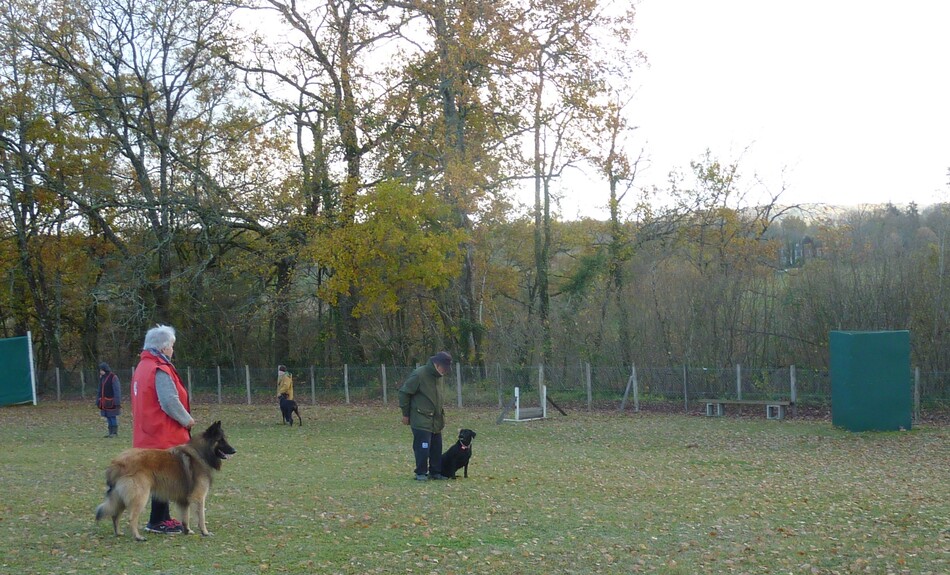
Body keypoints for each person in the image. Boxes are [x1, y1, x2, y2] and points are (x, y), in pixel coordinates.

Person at [130, 324, 195, 535]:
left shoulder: (142, 367)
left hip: (146, 432)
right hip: (162, 433)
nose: (173, 350)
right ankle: (158, 520)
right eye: (172, 346)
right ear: (164, 347)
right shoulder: (159, 368)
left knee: (156, 477)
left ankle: (161, 518)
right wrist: (187, 420)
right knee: (164, 476)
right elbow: (169, 401)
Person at [398, 351, 452, 481]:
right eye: (444, 368)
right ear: (437, 364)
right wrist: (405, 414)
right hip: (421, 418)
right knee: (423, 447)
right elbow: (404, 393)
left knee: (436, 447)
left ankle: (435, 472)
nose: (445, 371)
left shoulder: (440, 377)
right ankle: (421, 472)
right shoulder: (419, 374)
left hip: (436, 419)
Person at [96, 362, 121, 438]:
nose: (100, 372)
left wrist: (116, 402)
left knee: (112, 416)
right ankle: (110, 432)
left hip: (112, 401)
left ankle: (114, 432)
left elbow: (117, 390)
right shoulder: (102, 378)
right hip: (104, 402)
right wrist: (98, 399)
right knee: (108, 417)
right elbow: (100, 390)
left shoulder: (113, 377)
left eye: (101, 370)